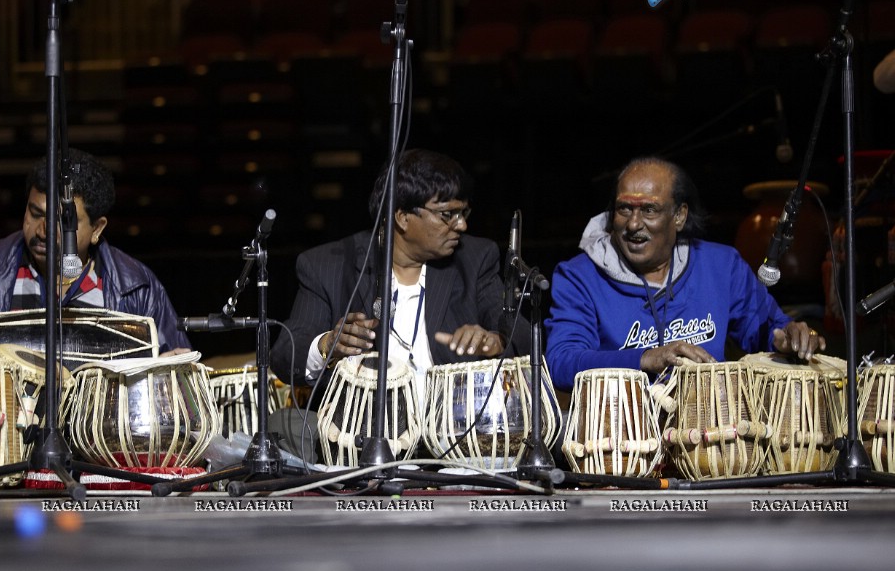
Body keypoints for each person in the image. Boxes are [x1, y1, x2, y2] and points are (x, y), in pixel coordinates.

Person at [0, 148, 191, 389]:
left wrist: (171, 369)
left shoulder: (135, 285)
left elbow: (176, 366)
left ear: (97, 228)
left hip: (98, 450)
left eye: (61, 223)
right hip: (5, 441)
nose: (42, 230)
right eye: (35, 213)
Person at [269, 148, 530, 403]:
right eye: (448, 215)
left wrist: (496, 342)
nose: (462, 225)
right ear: (403, 217)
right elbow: (284, 357)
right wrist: (328, 345)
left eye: (464, 212)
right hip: (362, 431)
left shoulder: (475, 259)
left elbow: (524, 337)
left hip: (450, 427)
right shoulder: (328, 265)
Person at [544, 156, 826, 390]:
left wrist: (790, 337)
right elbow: (562, 363)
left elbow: (767, 328)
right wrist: (645, 358)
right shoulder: (579, 276)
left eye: (649, 210)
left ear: (679, 216)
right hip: (620, 442)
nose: (633, 224)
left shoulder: (721, 265)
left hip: (708, 438)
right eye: (624, 209)